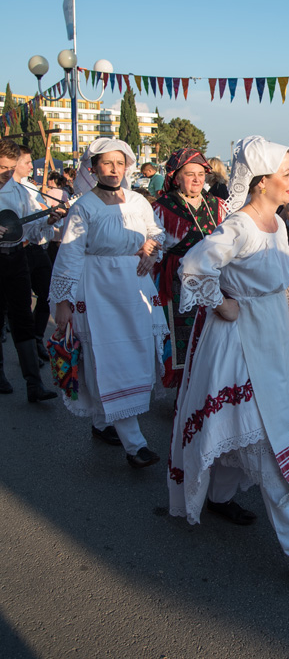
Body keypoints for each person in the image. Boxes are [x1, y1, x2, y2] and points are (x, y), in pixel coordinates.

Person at [168, 136, 289, 583]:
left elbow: (273, 279)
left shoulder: (279, 226)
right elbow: (193, 267)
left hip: (270, 336)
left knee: (242, 429)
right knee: (265, 436)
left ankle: (220, 498)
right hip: (239, 344)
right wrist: (219, 302)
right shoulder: (239, 227)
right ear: (262, 182)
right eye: (287, 173)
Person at [50, 138, 169, 468]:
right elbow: (70, 254)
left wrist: (150, 249)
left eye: (120, 163)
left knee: (136, 350)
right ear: (94, 168)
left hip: (133, 284)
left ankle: (104, 423)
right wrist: (63, 301)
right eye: (107, 163)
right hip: (97, 285)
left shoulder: (138, 201)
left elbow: (155, 232)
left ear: (128, 166)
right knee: (107, 354)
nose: (115, 169)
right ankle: (135, 444)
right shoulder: (83, 207)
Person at [152, 149, 226, 389]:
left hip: (212, 277)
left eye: (200, 174)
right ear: (176, 177)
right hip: (176, 279)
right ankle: (183, 389)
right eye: (189, 174)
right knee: (180, 334)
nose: (197, 179)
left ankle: (207, 385)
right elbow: (154, 246)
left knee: (210, 330)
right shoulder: (162, 208)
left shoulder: (217, 205)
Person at [0, 139, 63, 401]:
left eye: (9, 168)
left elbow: (33, 229)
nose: (5, 174)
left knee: (22, 316)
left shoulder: (22, 191)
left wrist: (48, 220)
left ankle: (34, 384)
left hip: (17, 257)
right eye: (1, 166)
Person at [12, 147, 55, 361]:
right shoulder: (7, 189)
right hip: (14, 251)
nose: (31, 166)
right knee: (19, 304)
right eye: (27, 162)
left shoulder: (30, 188)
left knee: (48, 293)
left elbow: (39, 218)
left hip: (36, 248)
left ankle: (38, 337)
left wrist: (50, 219)